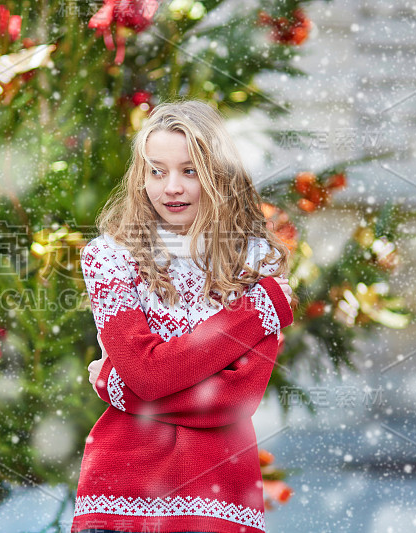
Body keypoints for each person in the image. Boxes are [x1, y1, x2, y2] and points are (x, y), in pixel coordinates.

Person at [71, 98, 294, 533]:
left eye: (189, 170)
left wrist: (118, 386)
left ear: (220, 175)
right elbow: (149, 374)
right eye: (157, 171)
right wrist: (252, 315)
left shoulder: (255, 264)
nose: (171, 186)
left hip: (217, 491)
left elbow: (235, 399)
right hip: (121, 490)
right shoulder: (111, 259)